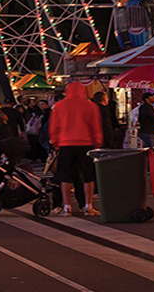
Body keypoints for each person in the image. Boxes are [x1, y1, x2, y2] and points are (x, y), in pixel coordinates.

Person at [49, 84, 103, 217]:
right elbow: (95, 126)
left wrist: (56, 143)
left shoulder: (60, 106)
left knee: (65, 177)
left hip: (65, 143)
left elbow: (54, 126)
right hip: (86, 143)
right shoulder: (90, 105)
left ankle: (67, 207)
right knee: (87, 177)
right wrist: (97, 143)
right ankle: (88, 206)